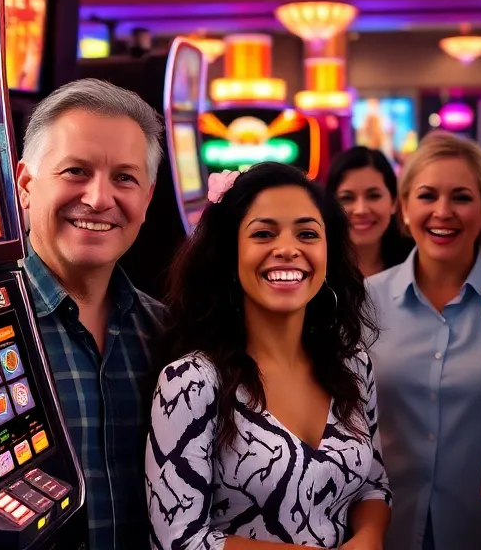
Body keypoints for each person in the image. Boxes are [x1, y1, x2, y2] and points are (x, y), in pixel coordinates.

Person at [146, 163, 391, 550]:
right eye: (263, 233)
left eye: (307, 233)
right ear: (229, 254)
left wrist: (370, 536)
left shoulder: (353, 363)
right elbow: (179, 540)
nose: (289, 249)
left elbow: (374, 484)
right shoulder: (191, 380)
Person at [367, 131, 481, 550]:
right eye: (427, 196)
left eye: (462, 198)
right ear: (404, 210)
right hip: (383, 528)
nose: (443, 212)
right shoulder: (366, 298)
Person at [15, 78, 168, 549]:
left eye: (125, 177)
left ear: (147, 197)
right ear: (25, 185)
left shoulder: (168, 332)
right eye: (75, 171)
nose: (99, 199)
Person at [328, 146, 415, 278]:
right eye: (347, 198)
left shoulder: (417, 266)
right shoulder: (313, 270)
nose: (361, 210)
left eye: (373, 196)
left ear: (394, 202)